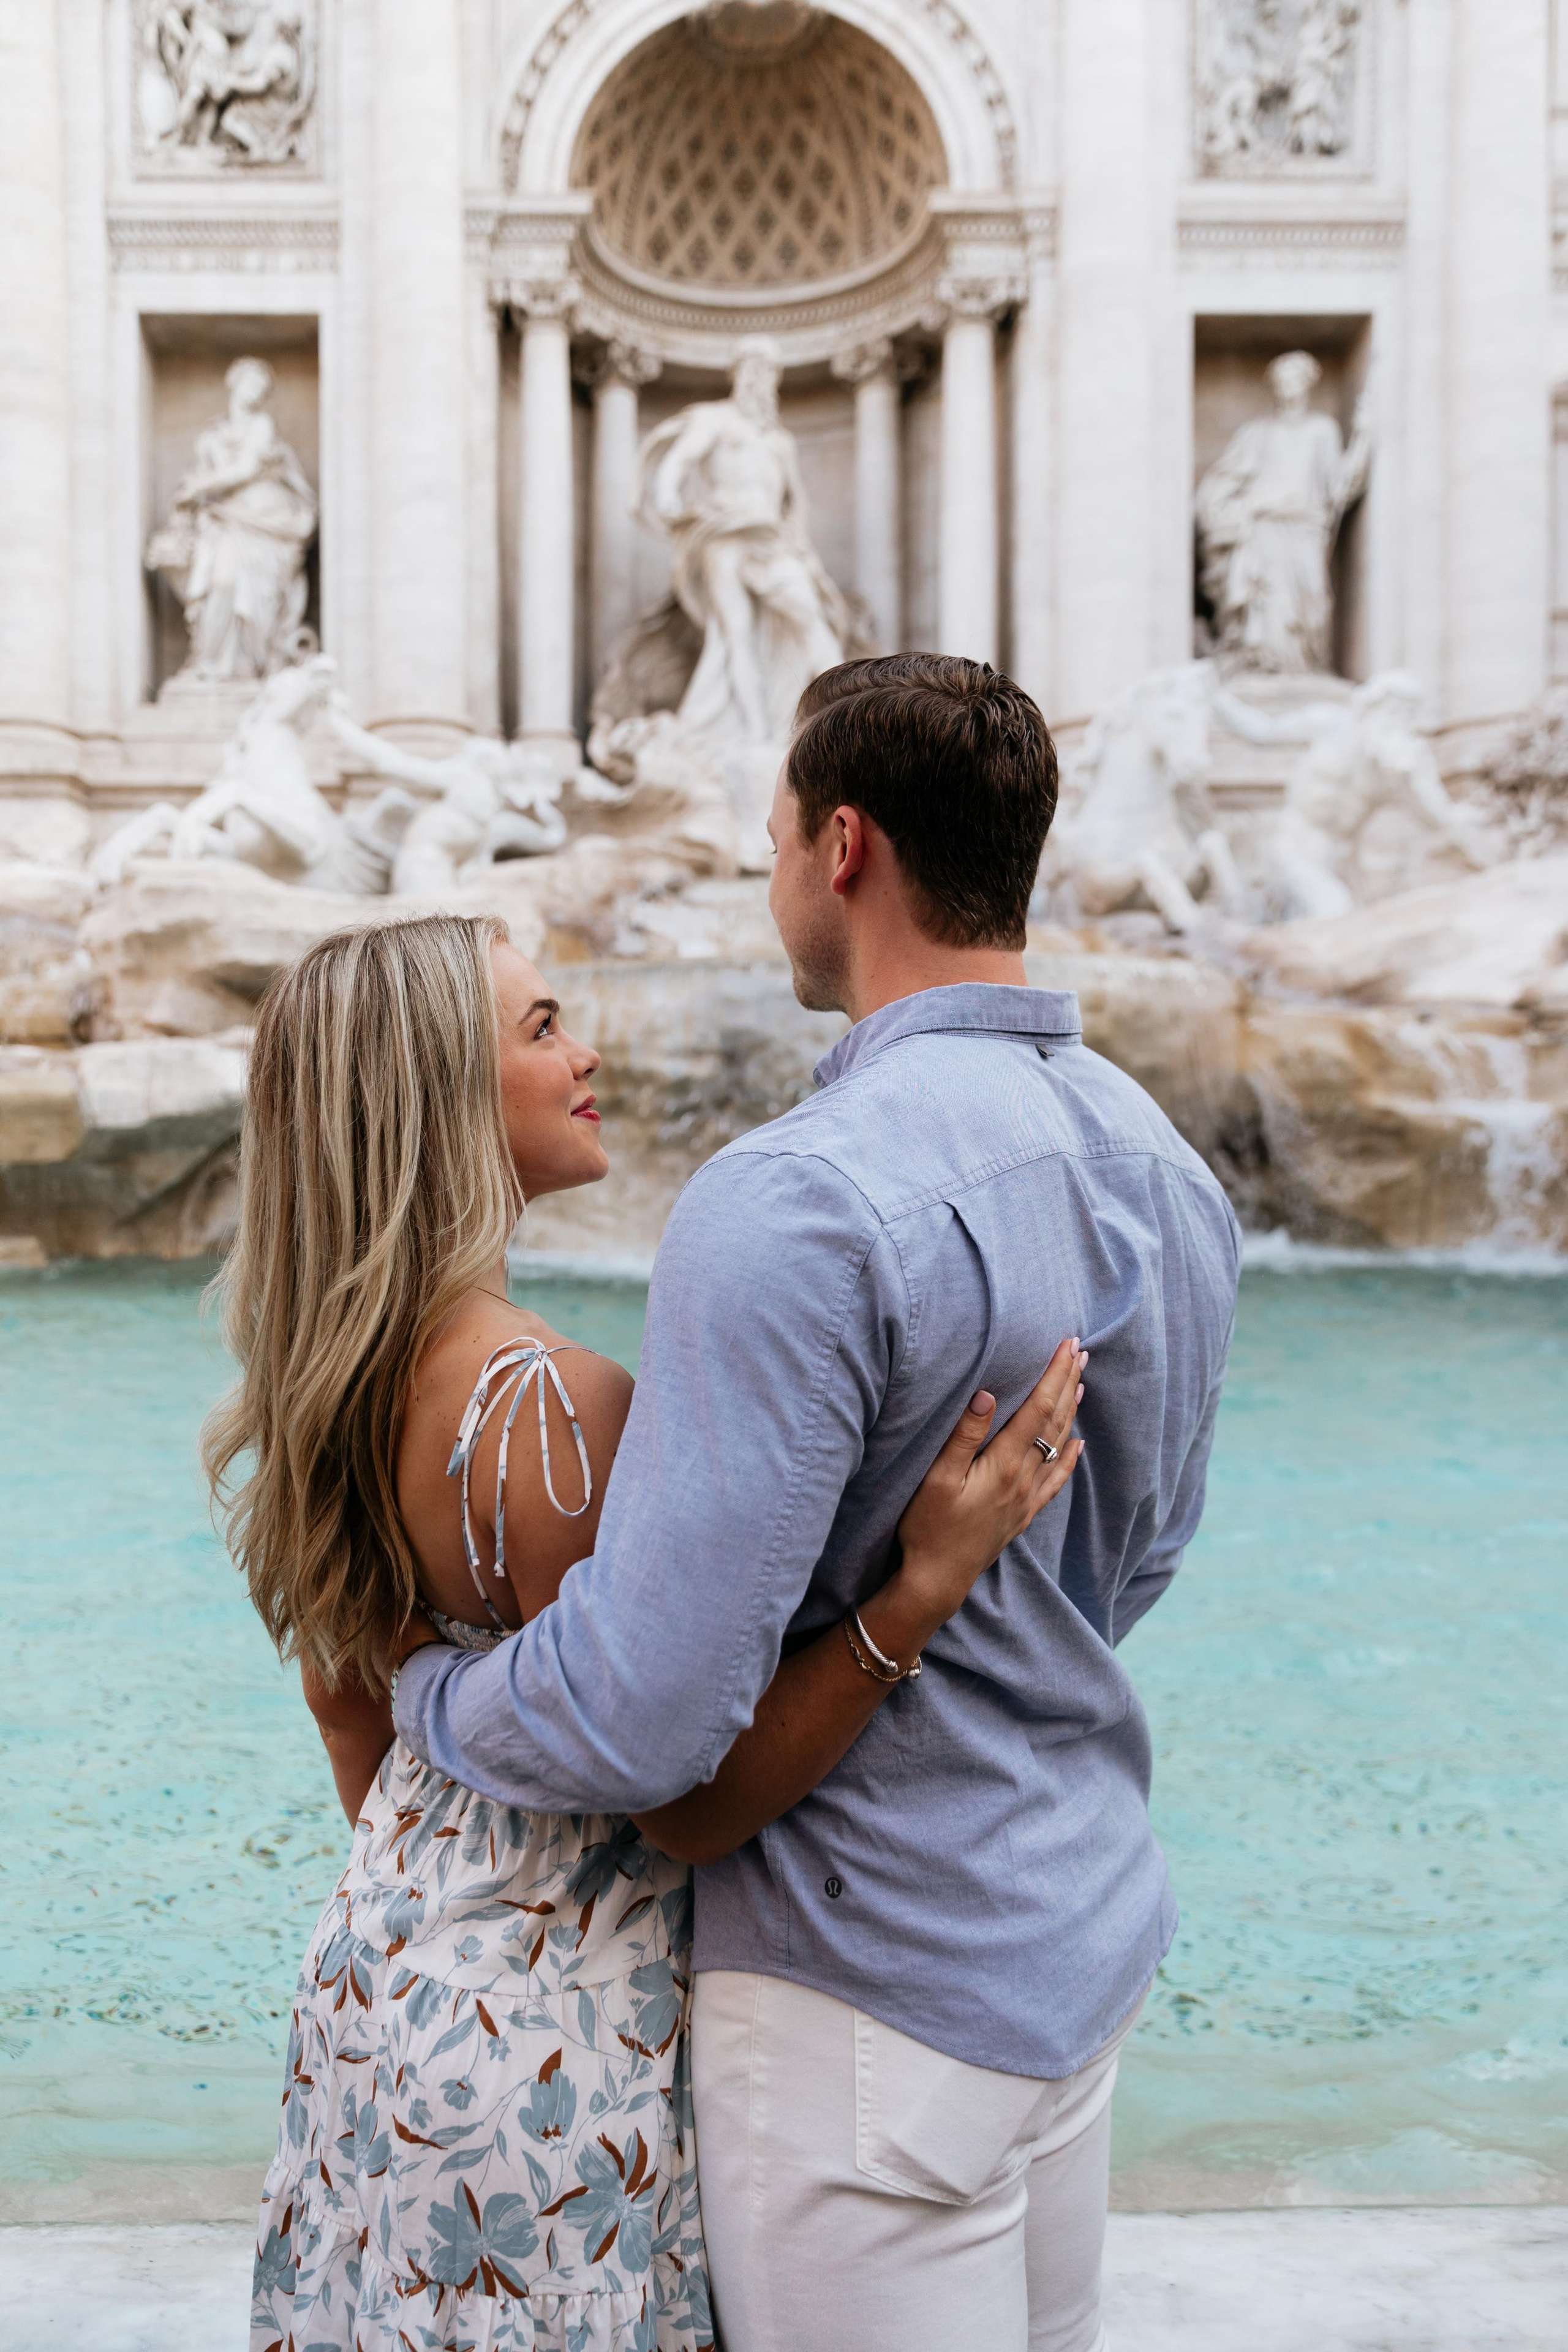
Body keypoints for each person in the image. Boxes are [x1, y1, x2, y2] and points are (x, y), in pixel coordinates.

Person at [388, 655, 1243, 2351]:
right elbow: (1136, 1557)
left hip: (865, 1994)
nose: (771, 872)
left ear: (842, 847)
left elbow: (643, 1717)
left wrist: (422, 1684)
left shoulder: (793, 1200)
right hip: (1079, 1931)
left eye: (775, 838)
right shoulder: (1165, 1166)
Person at [206, 910, 1085, 2351]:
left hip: (383, 1979)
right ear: (440, 1095)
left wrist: (453, 1929)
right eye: (541, 1028)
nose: (586, 1054)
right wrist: (916, 1593)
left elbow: (341, 1706)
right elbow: (684, 1795)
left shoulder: (332, 1379)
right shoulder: (556, 1411)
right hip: (555, 2038)